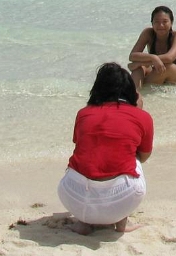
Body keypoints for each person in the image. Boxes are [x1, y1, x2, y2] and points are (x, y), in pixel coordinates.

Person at [57, 62, 152, 235]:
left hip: (72, 197)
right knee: (131, 154)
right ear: (131, 92)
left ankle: (84, 223)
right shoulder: (142, 116)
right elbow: (144, 156)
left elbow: (79, 143)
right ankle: (121, 223)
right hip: (122, 200)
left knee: (92, 152)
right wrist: (137, 111)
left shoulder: (84, 113)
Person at [129, 5, 176, 89]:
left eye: (165, 21)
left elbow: (169, 58)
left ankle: (141, 90)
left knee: (167, 66)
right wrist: (152, 58)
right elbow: (132, 56)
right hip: (158, 73)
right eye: (156, 22)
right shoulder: (148, 33)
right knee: (139, 68)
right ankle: (135, 94)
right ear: (152, 23)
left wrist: (142, 62)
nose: (161, 25)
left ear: (171, 23)